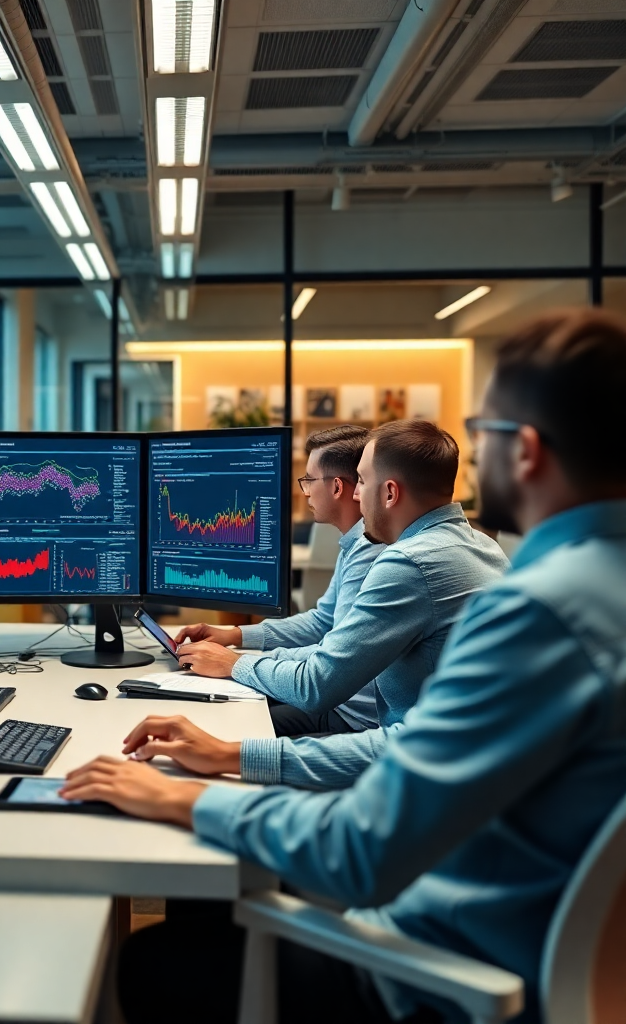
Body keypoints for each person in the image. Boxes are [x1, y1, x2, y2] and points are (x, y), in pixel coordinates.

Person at [62, 308, 626, 1024]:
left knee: (156, 962)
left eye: (485, 436)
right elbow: (408, 744)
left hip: (443, 976)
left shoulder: (539, 614)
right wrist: (237, 753)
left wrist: (180, 796)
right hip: (544, 954)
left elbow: (360, 850)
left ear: (529, 451)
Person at [175, 420, 507, 773]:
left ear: (390, 493)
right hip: (464, 758)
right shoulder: (483, 545)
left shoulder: (409, 562)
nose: (354, 493)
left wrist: (234, 663)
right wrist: (238, 649)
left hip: (425, 766)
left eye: (362, 481)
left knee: (220, 749)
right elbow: (329, 637)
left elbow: (317, 685)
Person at [176, 424, 385, 737]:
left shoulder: (371, 550)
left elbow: (327, 660)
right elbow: (322, 621)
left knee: (227, 725)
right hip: (334, 698)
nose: (305, 491)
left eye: (309, 480)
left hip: (348, 713)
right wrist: (234, 636)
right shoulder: (354, 544)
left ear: (338, 487)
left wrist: (235, 662)